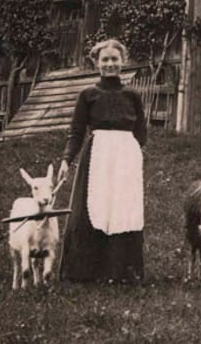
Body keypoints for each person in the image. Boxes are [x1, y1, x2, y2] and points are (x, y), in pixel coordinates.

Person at [58, 38, 147, 283]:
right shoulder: (88, 95)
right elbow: (76, 131)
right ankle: (85, 272)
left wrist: (131, 156)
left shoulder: (132, 95)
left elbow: (141, 131)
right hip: (97, 157)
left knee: (123, 210)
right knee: (91, 208)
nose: (110, 64)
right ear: (96, 63)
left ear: (123, 62)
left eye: (114, 59)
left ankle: (121, 272)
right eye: (105, 59)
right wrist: (67, 159)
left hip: (125, 159)